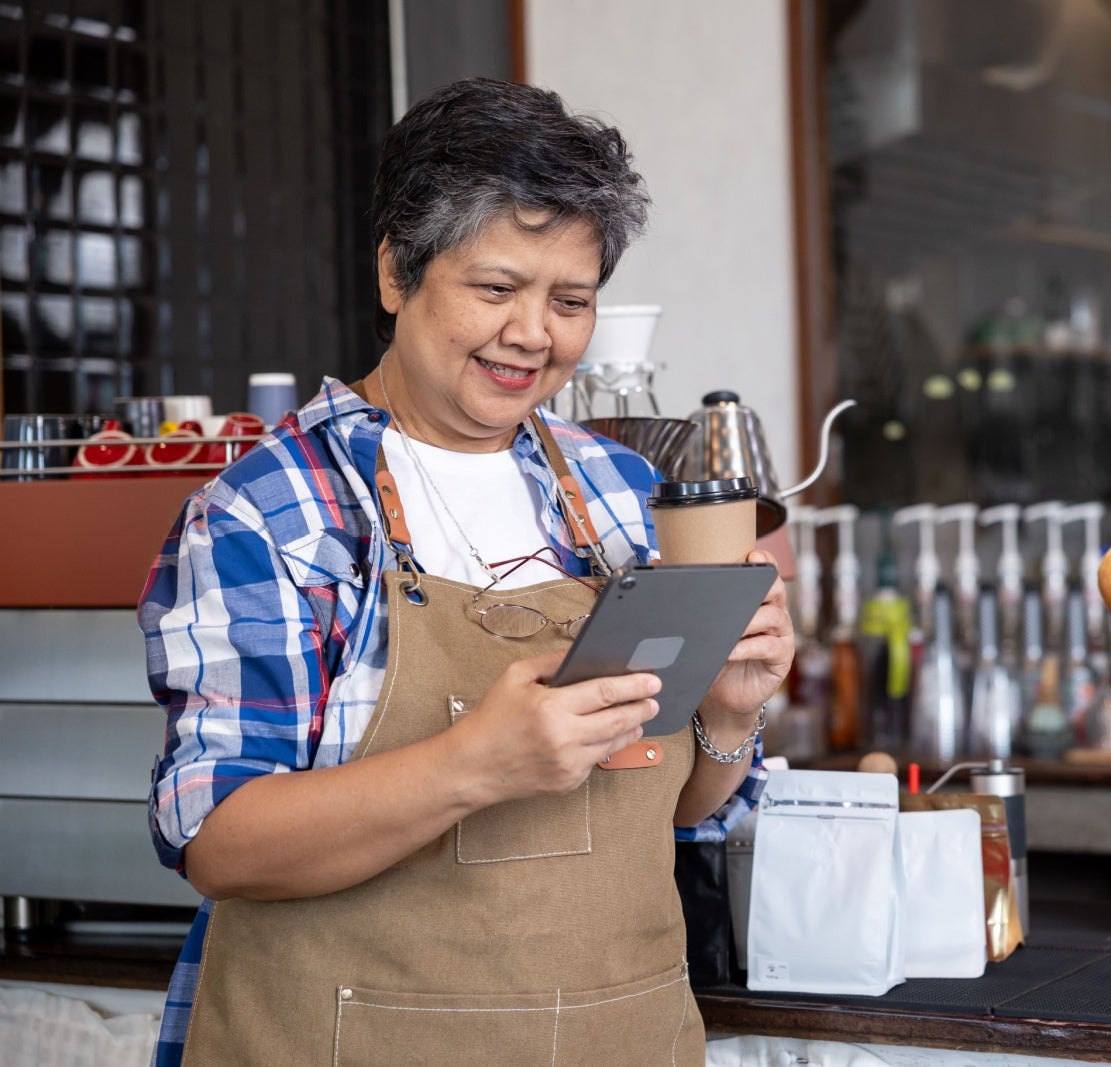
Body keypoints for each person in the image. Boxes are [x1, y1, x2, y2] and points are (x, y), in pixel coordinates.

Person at [138, 78, 793, 1065]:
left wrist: (732, 715)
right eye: (495, 290)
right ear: (396, 273)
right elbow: (217, 835)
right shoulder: (274, 512)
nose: (534, 333)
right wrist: (473, 764)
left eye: (570, 301)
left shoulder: (622, 495)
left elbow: (670, 802)